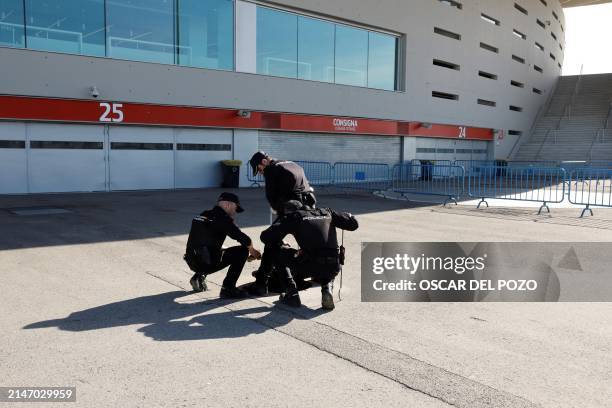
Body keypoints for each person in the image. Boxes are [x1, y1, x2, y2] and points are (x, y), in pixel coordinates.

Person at [258, 200, 359, 310]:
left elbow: (266, 237)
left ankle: (292, 294)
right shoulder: (326, 212)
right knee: (323, 258)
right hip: (334, 266)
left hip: (310, 266)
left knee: (274, 249)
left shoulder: (294, 217)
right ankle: (327, 287)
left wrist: (280, 238)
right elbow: (354, 224)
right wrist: (346, 215)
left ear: (288, 212)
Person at [184, 192, 261, 299]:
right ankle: (228, 289)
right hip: (205, 263)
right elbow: (244, 239)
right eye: (235, 208)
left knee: (216, 248)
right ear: (228, 205)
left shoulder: (203, 214)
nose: (235, 212)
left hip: (191, 260)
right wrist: (253, 251)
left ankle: (198, 276)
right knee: (242, 251)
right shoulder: (223, 219)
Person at [248, 151, 316, 214]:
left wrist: (275, 208)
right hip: (309, 203)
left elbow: (271, 195)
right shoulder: (291, 163)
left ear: (264, 161)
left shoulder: (270, 170)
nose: (260, 173)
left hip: (293, 208)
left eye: (259, 169)